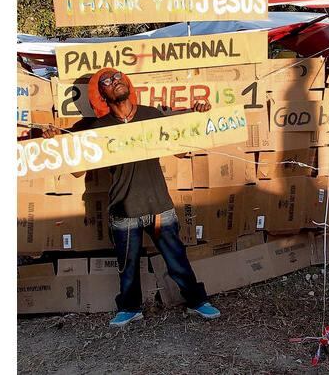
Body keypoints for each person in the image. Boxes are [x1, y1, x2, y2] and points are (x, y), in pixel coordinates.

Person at [42, 67, 220, 327]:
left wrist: (197, 117)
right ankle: (129, 308)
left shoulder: (151, 115)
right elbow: (78, 170)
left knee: (177, 260)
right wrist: (55, 143)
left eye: (117, 77)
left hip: (159, 205)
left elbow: (181, 152)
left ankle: (197, 301)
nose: (115, 82)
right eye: (107, 81)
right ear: (100, 94)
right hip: (123, 209)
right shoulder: (99, 128)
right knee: (127, 266)